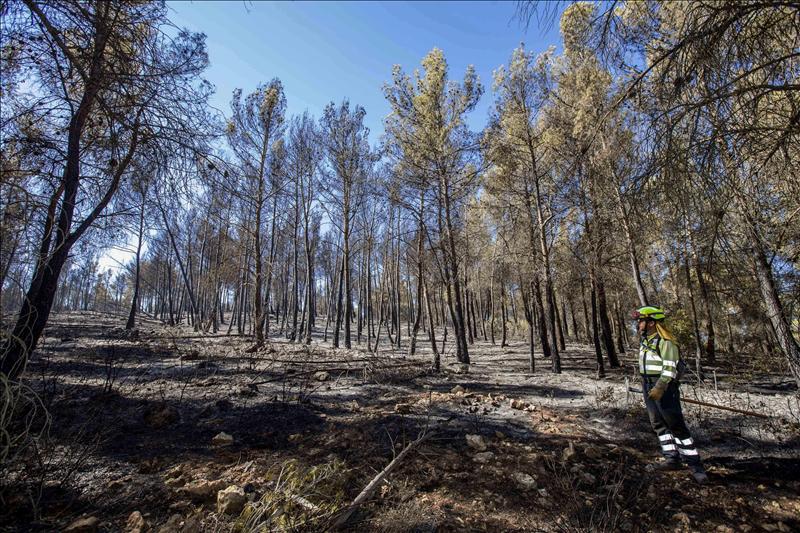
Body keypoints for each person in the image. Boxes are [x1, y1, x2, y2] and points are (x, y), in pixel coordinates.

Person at [633, 306, 708, 484]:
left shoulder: (666, 342)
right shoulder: (646, 341)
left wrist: (660, 386)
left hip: (664, 387)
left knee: (676, 425)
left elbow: (669, 368)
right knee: (658, 423)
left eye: (641, 321)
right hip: (648, 384)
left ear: (651, 322)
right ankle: (672, 459)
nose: (638, 324)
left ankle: (695, 466)